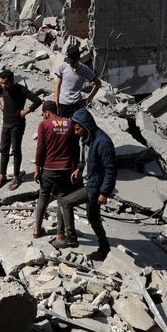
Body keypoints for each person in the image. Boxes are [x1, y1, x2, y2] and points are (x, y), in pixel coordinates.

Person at [52, 108, 115, 261]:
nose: (75, 132)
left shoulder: (103, 142)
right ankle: (104, 247)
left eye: (77, 128)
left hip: (95, 187)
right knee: (93, 218)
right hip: (90, 183)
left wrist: (104, 192)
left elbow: (111, 170)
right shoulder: (89, 138)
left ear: (85, 126)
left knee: (64, 202)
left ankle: (71, 238)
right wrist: (79, 169)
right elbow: (87, 159)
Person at [33, 100, 79, 239]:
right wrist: (76, 166)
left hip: (47, 168)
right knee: (62, 200)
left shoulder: (43, 125)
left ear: (47, 112)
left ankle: (36, 229)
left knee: (43, 197)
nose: (43, 116)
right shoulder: (69, 123)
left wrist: (37, 168)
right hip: (65, 169)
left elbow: (40, 148)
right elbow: (76, 147)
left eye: (43, 114)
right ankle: (60, 233)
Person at [0, 69, 43, 191]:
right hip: (6, 124)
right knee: (4, 149)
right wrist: (0, 106)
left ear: (12, 81)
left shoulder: (21, 90)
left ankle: (16, 177)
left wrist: (25, 111)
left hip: (17, 125)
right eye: (2, 83)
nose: (3, 85)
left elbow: (37, 100)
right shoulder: (2, 87)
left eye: (6, 83)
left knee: (15, 150)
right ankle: (2, 176)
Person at [54, 44, 102, 118]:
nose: (70, 64)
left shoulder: (85, 70)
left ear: (78, 59)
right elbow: (57, 85)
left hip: (76, 105)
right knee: (62, 127)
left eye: (72, 62)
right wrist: (56, 101)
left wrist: (88, 99)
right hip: (62, 104)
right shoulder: (63, 66)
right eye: (69, 61)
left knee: (75, 127)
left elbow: (98, 83)